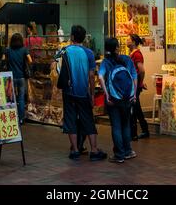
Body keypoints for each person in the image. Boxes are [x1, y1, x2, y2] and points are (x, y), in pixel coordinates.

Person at [57, 25, 107, 161]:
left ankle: (75, 150)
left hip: (68, 92)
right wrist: (91, 94)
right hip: (83, 92)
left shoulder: (64, 51)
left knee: (70, 120)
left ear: (72, 37)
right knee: (88, 120)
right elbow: (91, 76)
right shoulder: (89, 53)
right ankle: (94, 150)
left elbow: (54, 66)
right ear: (84, 38)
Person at [99, 37, 138, 163]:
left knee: (116, 126)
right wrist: (134, 94)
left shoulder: (105, 62)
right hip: (127, 98)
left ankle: (119, 155)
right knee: (125, 124)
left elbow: (100, 77)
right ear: (117, 47)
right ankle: (128, 151)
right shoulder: (126, 59)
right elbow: (134, 76)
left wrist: (107, 94)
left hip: (113, 99)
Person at [4, 33, 32, 125]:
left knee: (11, 97)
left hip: (10, 77)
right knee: (21, 98)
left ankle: (11, 117)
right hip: (21, 77)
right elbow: (30, 60)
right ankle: (21, 119)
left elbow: (3, 60)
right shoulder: (24, 50)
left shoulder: (7, 50)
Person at [127, 34, 150, 140]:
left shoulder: (137, 54)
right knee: (136, 108)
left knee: (133, 108)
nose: (127, 41)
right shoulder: (132, 53)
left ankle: (134, 133)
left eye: (128, 40)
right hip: (132, 84)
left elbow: (142, 70)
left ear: (134, 42)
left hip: (135, 85)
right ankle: (144, 130)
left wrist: (140, 83)